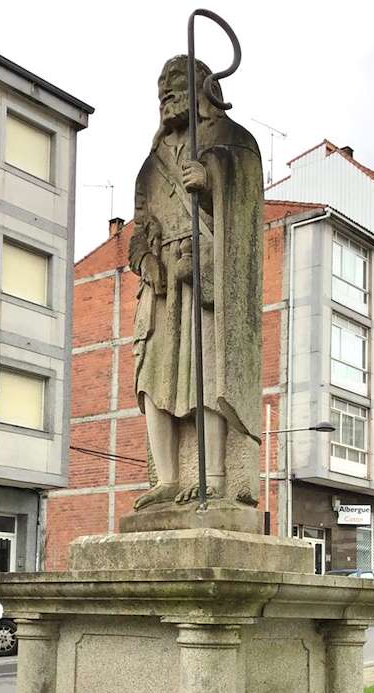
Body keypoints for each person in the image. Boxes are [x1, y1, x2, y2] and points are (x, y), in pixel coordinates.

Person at [128, 54, 264, 511]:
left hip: (207, 274)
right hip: (164, 286)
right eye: (162, 92)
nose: (168, 97)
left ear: (204, 90)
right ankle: (167, 478)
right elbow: (139, 229)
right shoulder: (151, 165)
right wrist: (148, 261)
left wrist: (211, 182)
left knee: (206, 372)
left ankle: (214, 475)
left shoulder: (232, 140)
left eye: (177, 87)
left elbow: (246, 209)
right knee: (152, 380)